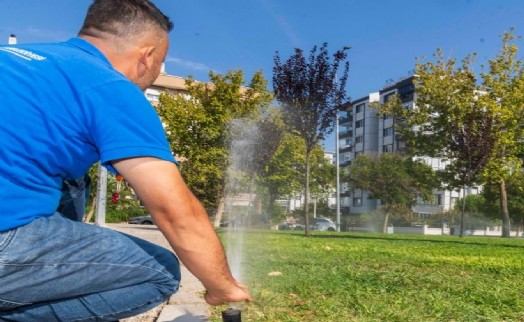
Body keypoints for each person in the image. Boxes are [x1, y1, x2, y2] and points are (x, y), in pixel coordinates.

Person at [0, 0, 250, 321]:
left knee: (75, 179)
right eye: (160, 62)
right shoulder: (110, 86)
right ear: (147, 56)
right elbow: (175, 212)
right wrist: (223, 287)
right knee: (157, 273)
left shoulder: (17, 59)